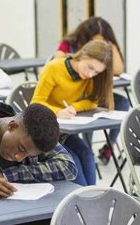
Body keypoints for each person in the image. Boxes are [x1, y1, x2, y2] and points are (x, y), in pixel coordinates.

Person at [32, 40, 113, 186]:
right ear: (82, 55)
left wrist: (74, 107)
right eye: (90, 67)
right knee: (72, 159)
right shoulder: (54, 68)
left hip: (64, 132)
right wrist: (57, 112)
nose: (90, 74)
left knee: (87, 154)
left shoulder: (87, 77)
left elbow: (92, 102)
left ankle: (91, 197)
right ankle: (81, 202)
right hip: (44, 132)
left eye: (96, 72)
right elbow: (36, 102)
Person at [54, 16, 129, 164]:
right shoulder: (70, 44)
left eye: (104, 41)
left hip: (95, 93)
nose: (99, 44)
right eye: (96, 41)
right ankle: (87, 149)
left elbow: (119, 69)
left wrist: (110, 46)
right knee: (89, 114)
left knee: (122, 103)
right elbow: (58, 63)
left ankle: (110, 146)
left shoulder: (105, 49)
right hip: (74, 95)